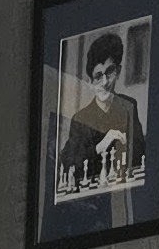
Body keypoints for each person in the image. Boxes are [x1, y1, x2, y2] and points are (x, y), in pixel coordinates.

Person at [57, 30, 145, 195]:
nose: (104, 82)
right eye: (98, 76)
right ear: (90, 82)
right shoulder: (81, 118)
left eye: (109, 72)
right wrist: (100, 146)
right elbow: (70, 164)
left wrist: (129, 146)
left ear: (118, 71)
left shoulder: (129, 106)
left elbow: (140, 154)